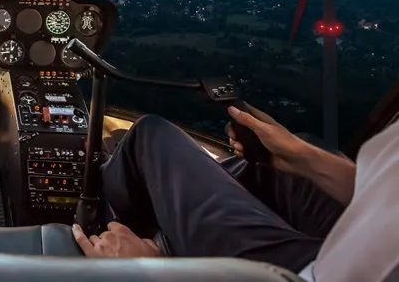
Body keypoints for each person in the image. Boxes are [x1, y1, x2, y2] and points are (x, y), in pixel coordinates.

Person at [71, 105, 399, 281]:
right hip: (378, 232)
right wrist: (300, 156)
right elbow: (385, 191)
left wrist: (153, 273)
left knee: (150, 136)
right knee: (300, 149)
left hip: (310, 274)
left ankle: (104, 215)